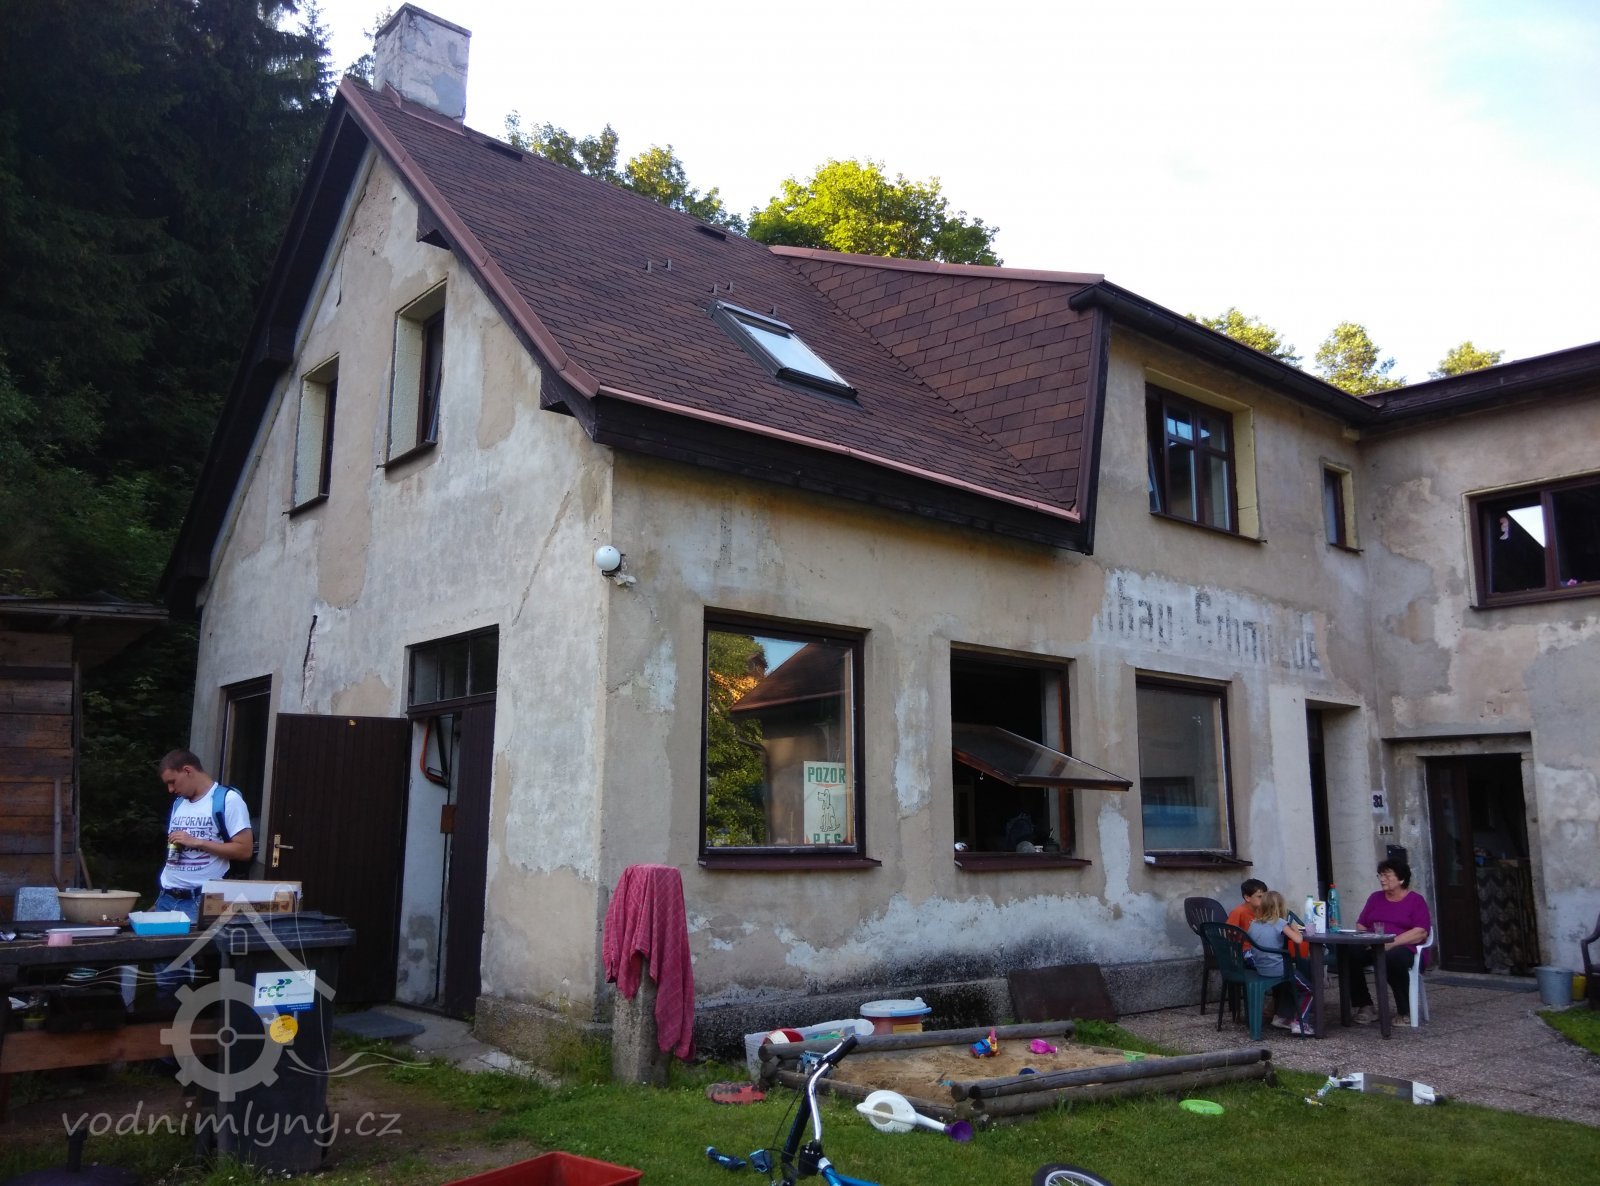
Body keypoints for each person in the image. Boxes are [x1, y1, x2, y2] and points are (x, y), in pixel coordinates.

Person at [155, 748, 253, 923]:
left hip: (200, 900)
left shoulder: (227, 799)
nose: (170, 789)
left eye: (172, 782)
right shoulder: (179, 803)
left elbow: (245, 850)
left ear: (187, 771)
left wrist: (198, 842)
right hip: (166, 898)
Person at [1349, 858, 1432, 1023]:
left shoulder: (1415, 900)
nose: (1382, 879)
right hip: (1375, 945)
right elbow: (1361, 924)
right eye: (1380, 875)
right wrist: (1368, 939)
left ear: (1401, 879)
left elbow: (1421, 932)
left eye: (1387, 876)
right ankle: (1365, 1005)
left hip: (1406, 948)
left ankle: (1405, 1011)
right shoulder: (1375, 898)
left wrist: (1391, 943)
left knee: (1392, 958)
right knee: (1349, 953)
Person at [1247, 890, 1311, 1034]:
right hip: (1278, 970)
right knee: (1308, 990)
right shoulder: (1280, 923)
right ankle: (1300, 1023)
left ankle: (1282, 1017)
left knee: (1288, 985)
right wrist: (1295, 929)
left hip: (1261, 969)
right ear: (1281, 907)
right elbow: (1298, 940)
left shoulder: (1253, 924)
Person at [1228, 879, 1268, 963]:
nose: (1264, 900)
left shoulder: (1263, 911)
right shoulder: (1238, 912)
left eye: (1265, 897)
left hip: (1260, 948)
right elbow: (1228, 931)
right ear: (1247, 898)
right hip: (1244, 951)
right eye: (1260, 896)